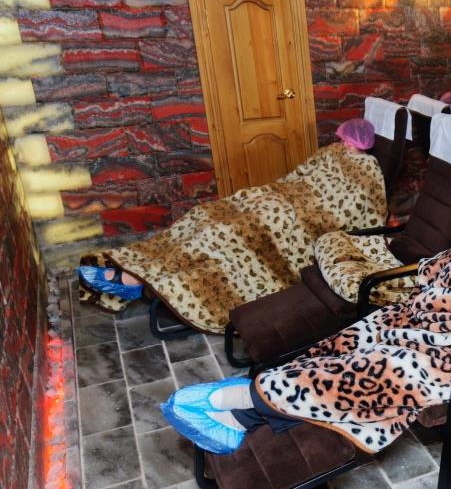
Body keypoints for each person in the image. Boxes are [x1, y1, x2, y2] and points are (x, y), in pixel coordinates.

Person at [162, 160, 451, 454]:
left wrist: (447, 298)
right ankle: (268, 398)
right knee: (365, 334)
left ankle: (249, 401)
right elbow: (445, 263)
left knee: (393, 367)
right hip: (437, 321)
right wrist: (436, 287)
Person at [77, 118, 387, 332]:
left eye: (347, 139)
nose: (343, 142)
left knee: (230, 236)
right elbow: (297, 177)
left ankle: (139, 283)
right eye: (343, 139)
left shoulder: (368, 168)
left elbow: (363, 209)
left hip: (300, 219)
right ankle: (141, 269)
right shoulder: (331, 152)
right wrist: (275, 194)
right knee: (208, 217)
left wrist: (308, 211)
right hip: (279, 198)